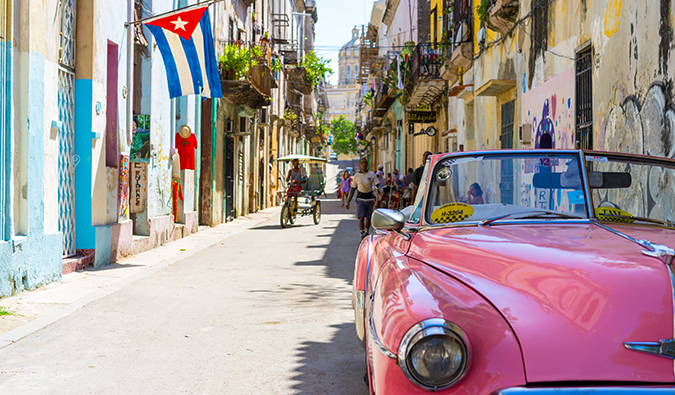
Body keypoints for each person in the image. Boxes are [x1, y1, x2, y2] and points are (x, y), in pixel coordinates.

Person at [346, 157, 383, 239]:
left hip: (369, 199)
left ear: (367, 164)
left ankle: (366, 231)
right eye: (362, 163)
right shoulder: (356, 176)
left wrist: (381, 190)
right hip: (360, 199)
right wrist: (348, 201)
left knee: (368, 218)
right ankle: (362, 234)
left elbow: (378, 184)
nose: (364, 164)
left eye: (365, 163)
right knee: (361, 217)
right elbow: (352, 189)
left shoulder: (372, 174)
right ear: (359, 165)